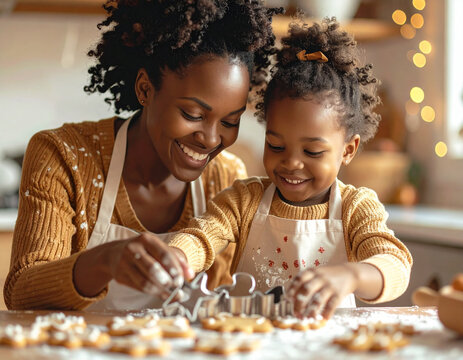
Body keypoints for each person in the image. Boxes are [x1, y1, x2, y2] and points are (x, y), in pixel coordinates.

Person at [4, 0, 281, 311]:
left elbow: (221, 306)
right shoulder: (63, 155)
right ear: (145, 89)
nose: (211, 139)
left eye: (230, 121)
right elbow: (21, 291)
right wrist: (105, 261)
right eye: (192, 114)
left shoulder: (226, 178)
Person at [168, 18, 413, 319]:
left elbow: (395, 264)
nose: (291, 163)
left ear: (348, 150)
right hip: (249, 343)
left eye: (312, 151)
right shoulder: (244, 201)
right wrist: (175, 258)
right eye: (276, 146)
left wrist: (352, 276)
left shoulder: (356, 208)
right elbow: (201, 236)